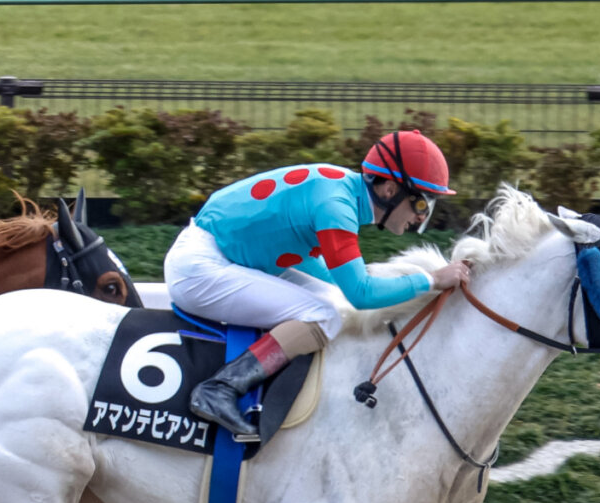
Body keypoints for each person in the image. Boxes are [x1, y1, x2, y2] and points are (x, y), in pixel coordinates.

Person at [172, 129, 469, 438]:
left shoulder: (341, 190)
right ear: (389, 189)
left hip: (226, 256)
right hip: (201, 268)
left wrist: (365, 284)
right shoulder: (336, 206)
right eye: (421, 204)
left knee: (332, 302)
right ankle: (220, 388)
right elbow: (361, 295)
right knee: (324, 314)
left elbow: (335, 280)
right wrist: (432, 279)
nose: (422, 218)